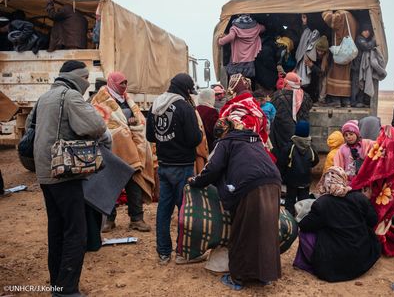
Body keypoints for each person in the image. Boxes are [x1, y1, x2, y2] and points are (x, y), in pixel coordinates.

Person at [30, 60, 107, 296]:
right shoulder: (70, 97)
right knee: (76, 232)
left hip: (44, 173)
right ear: (79, 78)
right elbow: (97, 126)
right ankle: (67, 289)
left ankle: (57, 283)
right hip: (65, 172)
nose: (87, 83)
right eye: (86, 78)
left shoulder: (45, 97)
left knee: (56, 230)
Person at [189, 118, 281, 290]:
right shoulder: (253, 140)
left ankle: (238, 278)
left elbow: (213, 168)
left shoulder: (226, 142)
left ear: (223, 132)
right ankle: (264, 276)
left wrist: (195, 181)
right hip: (274, 183)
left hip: (250, 186)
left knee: (242, 231)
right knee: (266, 230)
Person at [146, 73, 202, 265]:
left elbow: (150, 136)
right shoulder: (184, 107)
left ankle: (163, 253)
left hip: (163, 165)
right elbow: (195, 139)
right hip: (183, 167)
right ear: (186, 89)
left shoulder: (156, 104)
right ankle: (182, 253)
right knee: (184, 212)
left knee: (163, 210)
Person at [91, 72, 155, 233]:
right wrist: (124, 126)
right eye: (121, 83)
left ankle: (136, 219)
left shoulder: (127, 99)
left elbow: (140, 120)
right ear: (112, 83)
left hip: (131, 150)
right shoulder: (100, 100)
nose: (124, 85)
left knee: (134, 183)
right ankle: (109, 220)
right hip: (111, 150)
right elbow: (99, 123)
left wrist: (133, 124)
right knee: (110, 184)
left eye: (126, 82)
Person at [294, 166, 381, 282]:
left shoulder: (322, 203)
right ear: (343, 179)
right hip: (363, 257)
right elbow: (373, 221)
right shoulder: (359, 197)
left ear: (325, 181)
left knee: (305, 234)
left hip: (335, 265)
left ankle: (310, 261)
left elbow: (304, 225)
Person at [351, 125, 394, 256]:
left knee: (379, 219)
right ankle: (378, 242)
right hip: (383, 194)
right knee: (383, 219)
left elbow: (367, 170)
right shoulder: (387, 152)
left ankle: (377, 242)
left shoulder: (377, 150)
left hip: (379, 194)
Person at [277, 120, 319, 216]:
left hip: (292, 181)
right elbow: (315, 160)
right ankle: (302, 221)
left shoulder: (290, 146)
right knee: (304, 202)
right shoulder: (310, 146)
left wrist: (282, 175)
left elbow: (282, 162)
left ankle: (290, 220)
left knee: (290, 201)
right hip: (305, 180)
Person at [270, 72, 313, 159]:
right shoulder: (305, 96)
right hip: (301, 133)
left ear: (286, 83)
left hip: (282, 134)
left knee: (284, 157)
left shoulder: (278, 96)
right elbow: (309, 106)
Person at [322, 10, 358, 107]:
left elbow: (329, 19)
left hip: (340, 51)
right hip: (348, 52)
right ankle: (346, 102)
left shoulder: (341, 15)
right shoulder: (352, 17)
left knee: (335, 74)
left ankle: (336, 100)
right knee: (346, 76)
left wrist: (327, 10)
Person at [350, 23, 376, 108]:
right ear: (362, 31)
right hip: (357, 66)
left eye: (369, 31)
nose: (367, 32)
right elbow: (367, 46)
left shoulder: (363, 39)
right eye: (365, 30)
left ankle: (360, 102)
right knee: (356, 85)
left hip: (361, 67)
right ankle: (354, 102)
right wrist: (374, 40)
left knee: (361, 85)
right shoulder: (359, 39)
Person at [303, 36, 329, 104]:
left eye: (322, 51)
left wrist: (312, 66)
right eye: (318, 50)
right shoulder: (310, 53)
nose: (320, 53)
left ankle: (321, 100)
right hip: (312, 76)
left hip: (319, 74)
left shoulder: (327, 57)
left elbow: (322, 73)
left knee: (323, 82)